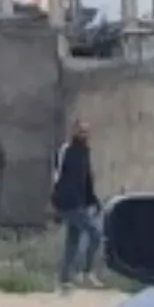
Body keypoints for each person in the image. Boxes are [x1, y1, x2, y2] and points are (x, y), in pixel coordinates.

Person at [50, 120, 106, 294]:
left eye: (86, 132)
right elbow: (57, 176)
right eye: (80, 131)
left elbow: (87, 178)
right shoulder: (66, 150)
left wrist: (93, 200)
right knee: (95, 233)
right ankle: (86, 272)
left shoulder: (85, 152)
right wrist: (59, 200)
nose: (83, 135)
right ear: (73, 132)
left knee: (72, 241)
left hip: (80, 202)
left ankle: (65, 279)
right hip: (68, 203)